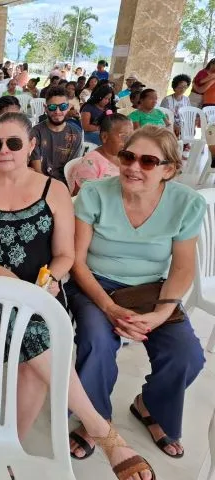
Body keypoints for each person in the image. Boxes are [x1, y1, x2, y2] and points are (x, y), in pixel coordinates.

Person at [0, 112, 156, 480]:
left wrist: (50, 280)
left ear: (31, 145)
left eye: (14, 143)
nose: (3, 151)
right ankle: (101, 430)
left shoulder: (53, 189)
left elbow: (65, 255)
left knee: (33, 347)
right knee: (34, 329)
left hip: (39, 289)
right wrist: (10, 281)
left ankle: (13, 445)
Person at [67, 125, 206, 464]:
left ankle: (151, 406)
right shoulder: (95, 193)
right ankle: (96, 421)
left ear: (169, 170)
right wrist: (109, 306)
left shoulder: (187, 203)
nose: (132, 167)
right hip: (93, 284)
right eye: (128, 157)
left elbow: (183, 268)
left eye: (148, 162)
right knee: (96, 343)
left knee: (187, 354)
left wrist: (160, 313)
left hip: (149, 289)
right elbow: (77, 261)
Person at [68, 113, 133, 195]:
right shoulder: (90, 164)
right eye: (124, 137)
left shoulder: (126, 157)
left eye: (131, 137)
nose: (129, 142)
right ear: (104, 137)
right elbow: (83, 198)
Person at [29, 86, 83, 183]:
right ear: (45, 108)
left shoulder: (75, 134)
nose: (57, 112)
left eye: (62, 107)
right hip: (40, 183)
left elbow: (72, 169)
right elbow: (37, 170)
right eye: (52, 107)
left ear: (68, 107)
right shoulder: (35, 132)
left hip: (65, 184)